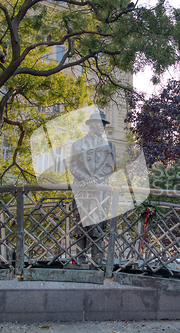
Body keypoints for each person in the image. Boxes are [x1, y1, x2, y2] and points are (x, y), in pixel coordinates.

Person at [69, 110, 115, 266]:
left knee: (98, 223)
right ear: (93, 125)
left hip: (100, 190)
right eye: (101, 124)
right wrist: (86, 179)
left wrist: (94, 179)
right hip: (82, 188)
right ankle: (79, 259)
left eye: (104, 125)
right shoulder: (77, 145)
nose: (103, 127)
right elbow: (73, 166)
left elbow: (110, 167)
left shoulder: (109, 145)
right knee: (80, 223)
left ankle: (97, 260)